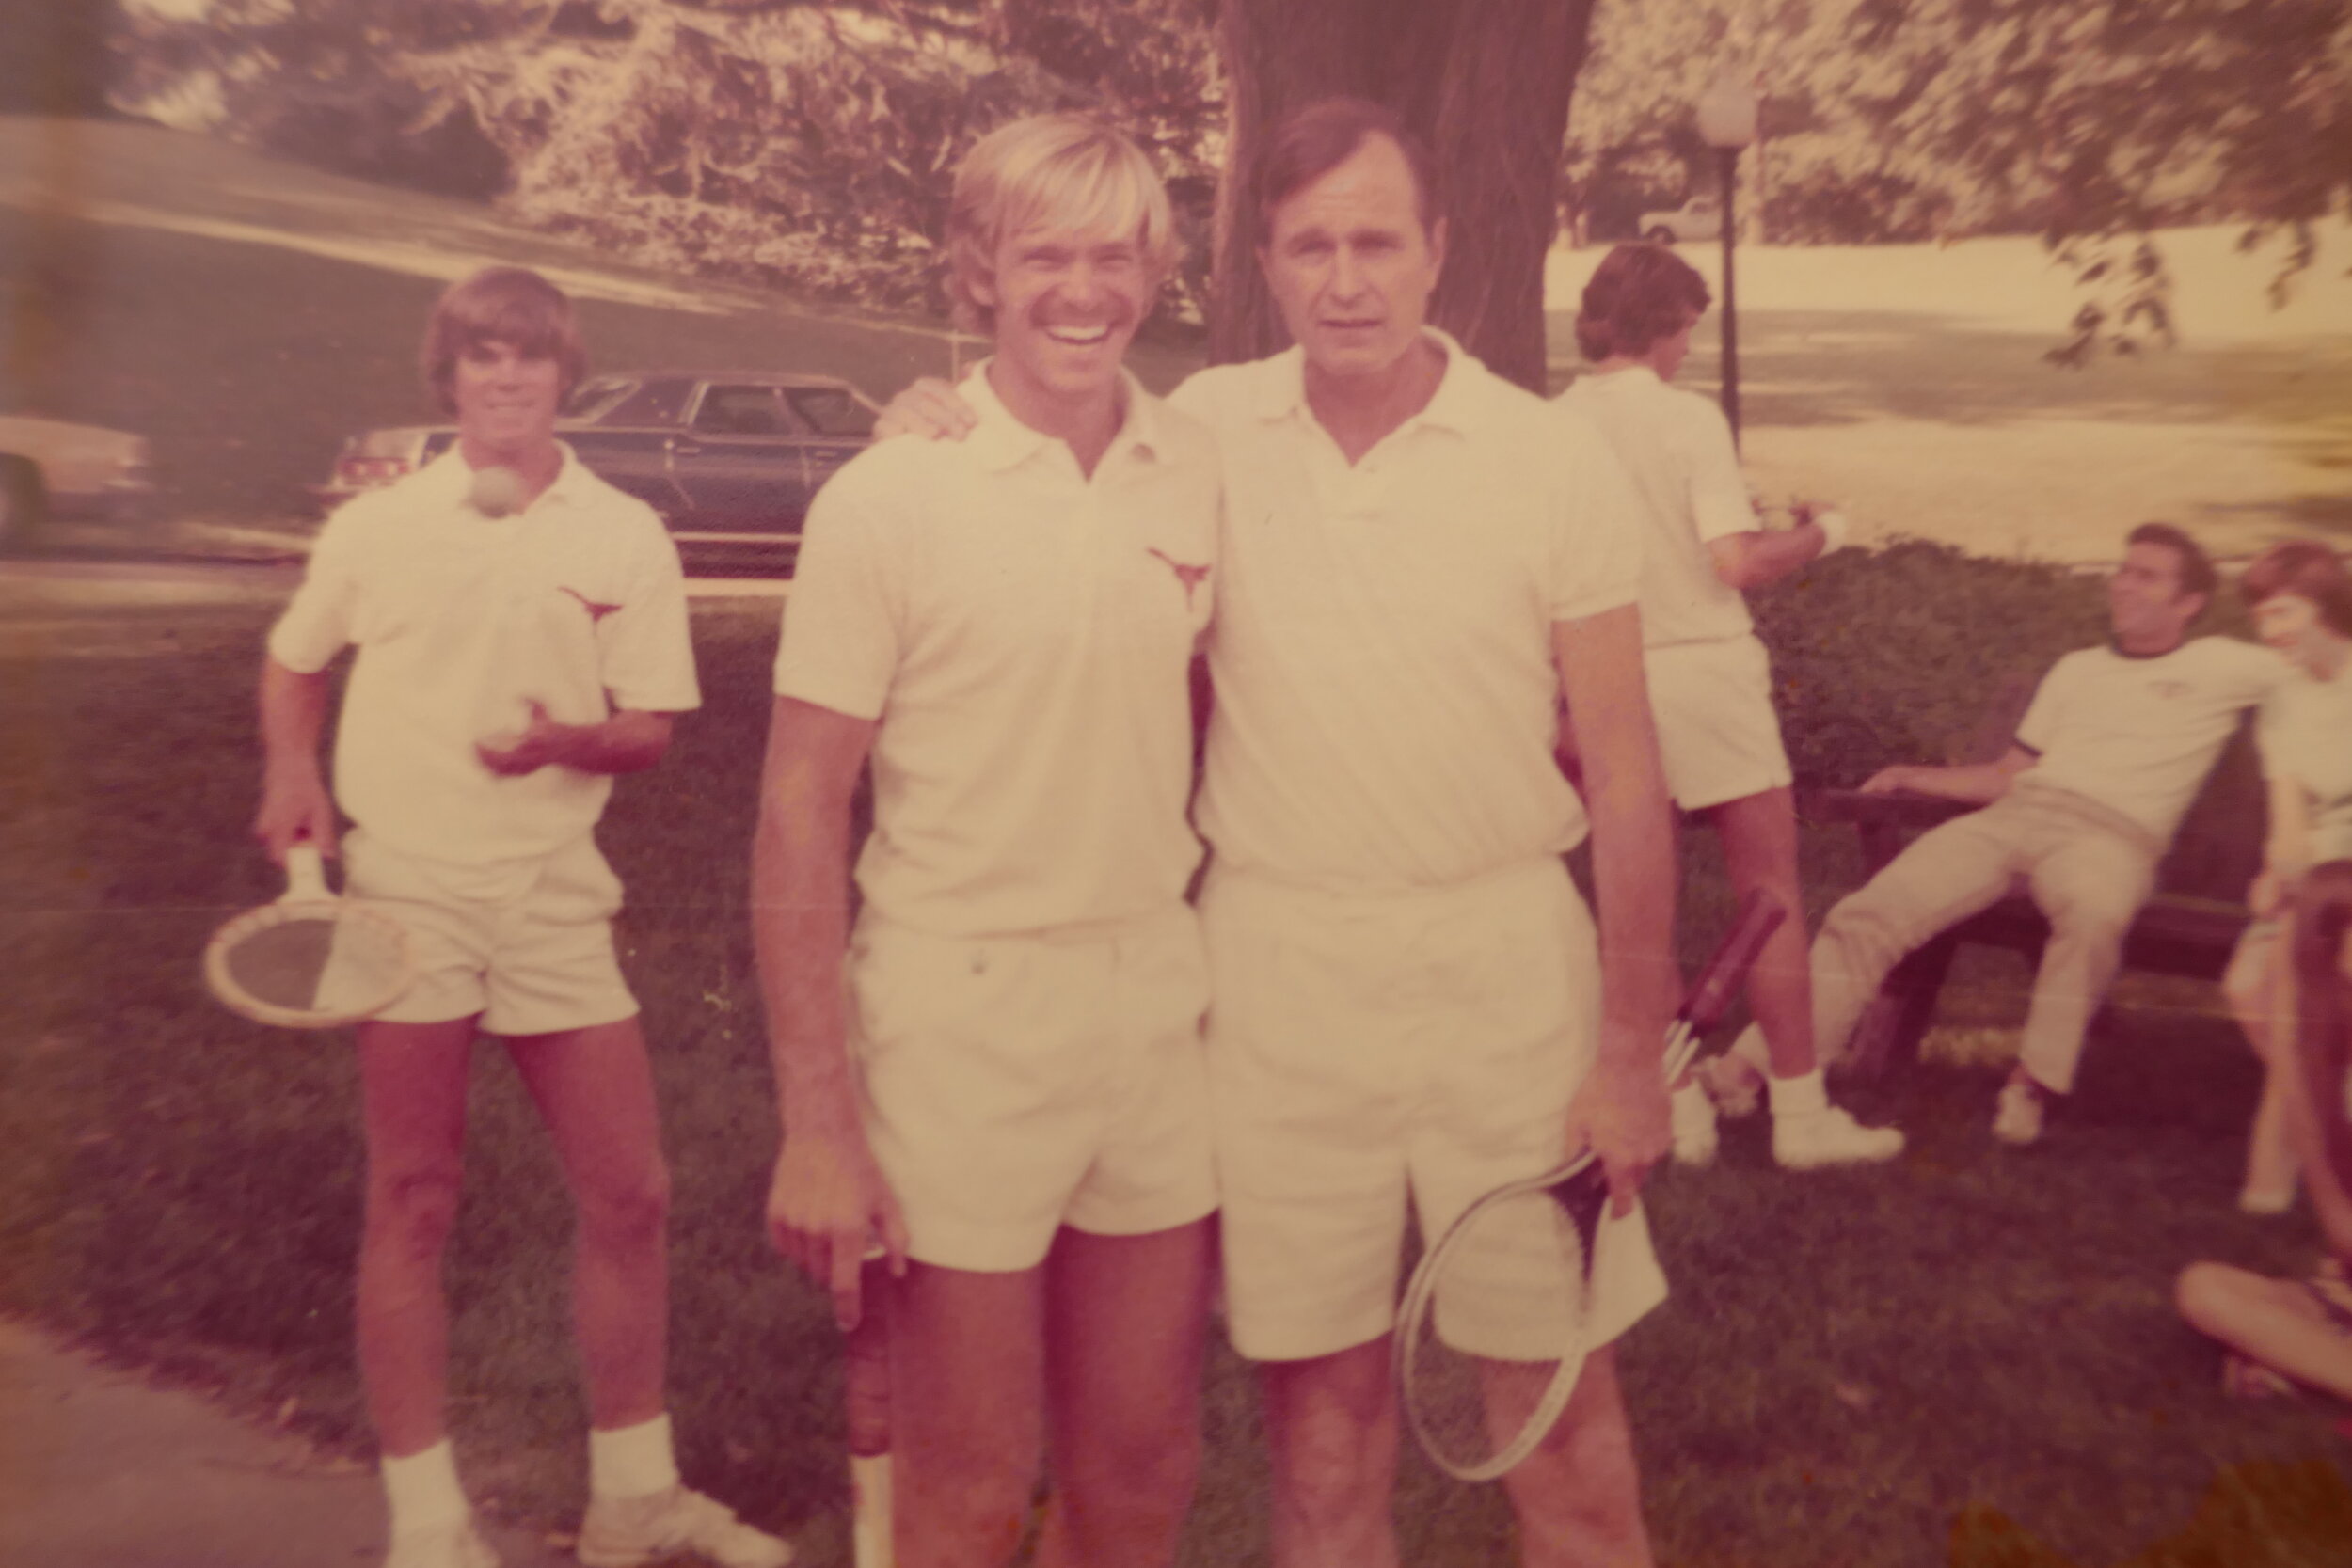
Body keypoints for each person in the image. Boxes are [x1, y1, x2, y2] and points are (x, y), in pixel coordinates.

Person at [877, 97, 1680, 1568]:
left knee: (1560, 1429)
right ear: (1266, 263)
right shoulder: (1203, 436)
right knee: (1322, 1443)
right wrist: (923, 407)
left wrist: (1631, 1049)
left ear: (1443, 251)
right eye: (1312, 245)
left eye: (1380, 240)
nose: (1348, 278)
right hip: (1278, 975)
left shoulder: (1549, 456)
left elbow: (1626, 774)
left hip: (1508, 968)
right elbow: (1029, 426)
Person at [254, 267, 785, 1568]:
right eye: (482, 357)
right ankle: (429, 1522)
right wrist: (291, 770)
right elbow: (295, 659)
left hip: (555, 899)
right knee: (416, 1194)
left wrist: (571, 739)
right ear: (451, 376)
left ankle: (632, 1499)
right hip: (409, 893)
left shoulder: (623, 533)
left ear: (565, 375)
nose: (506, 378)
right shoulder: (380, 526)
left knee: (632, 1191)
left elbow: (650, 730)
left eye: (530, 358)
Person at [754, 116, 1221, 1568]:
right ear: (977, 272)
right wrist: (821, 1125)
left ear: (1155, 270)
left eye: (1114, 256)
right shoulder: (889, 495)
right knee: (965, 1484)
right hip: (957, 1016)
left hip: (1153, 998)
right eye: (1044, 256)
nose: (1082, 292)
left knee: (1141, 1466)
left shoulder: (1195, 465)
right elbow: (795, 813)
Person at [1727, 523, 2283, 1145]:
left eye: (2146, 576)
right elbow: (2010, 775)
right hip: (2015, 819)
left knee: (2094, 914)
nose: (2123, 584)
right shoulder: (2077, 669)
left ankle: (2031, 1084)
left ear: (2189, 603)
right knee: (1868, 913)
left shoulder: (2224, 666)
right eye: (2124, 569)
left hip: (2111, 838)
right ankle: (1752, 1070)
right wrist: (1916, 775)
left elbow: (2327, 663)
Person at [1557, 243, 1902, 1170]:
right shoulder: (1686, 418)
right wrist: (1822, 531)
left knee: (1642, 906)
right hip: (1705, 675)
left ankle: (1680, 1107)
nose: (1685, 349)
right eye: (1684, 331)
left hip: (1606, 678)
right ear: (1666, 326)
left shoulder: (1549, 423)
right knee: (1770, 892)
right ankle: (1799, 1116)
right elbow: (1734, 563)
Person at [2179, 862, 2352, 1399]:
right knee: (2205, 1290)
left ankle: (2301, 1363)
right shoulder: (2325, 1073)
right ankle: (2314, 1362)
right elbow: (2341, 1226)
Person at [2221, 541, 2352, 1212]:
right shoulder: (2286, 702)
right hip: (2320, 880)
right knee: (2248, 984)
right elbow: (2290, 819)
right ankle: (2335, 1112)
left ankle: (2274, 1181)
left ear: (2327, 603)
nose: (2271, 631)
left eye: (2284, 611)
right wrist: (2277, 871)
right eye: (2262, 617)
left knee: (2298, 993)